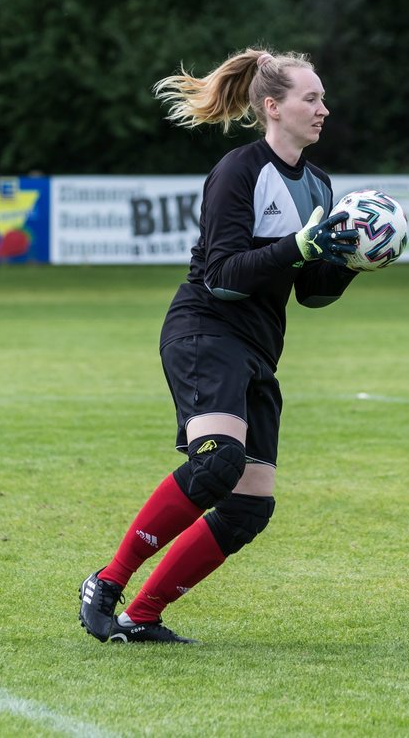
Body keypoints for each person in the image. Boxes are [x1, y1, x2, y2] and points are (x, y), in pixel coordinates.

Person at [79, 47, 360, 644]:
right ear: (272, 106)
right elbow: (224, 274)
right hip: (206, 330)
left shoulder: (318, 184)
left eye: (321, 98)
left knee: (249, 506)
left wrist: (356, 260)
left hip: (260, 348)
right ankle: (107, 582)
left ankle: (143, 616)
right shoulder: (240, 169)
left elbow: (310, 292)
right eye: (311, 99)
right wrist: (301, 245)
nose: (323, 110)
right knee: (217, 462)